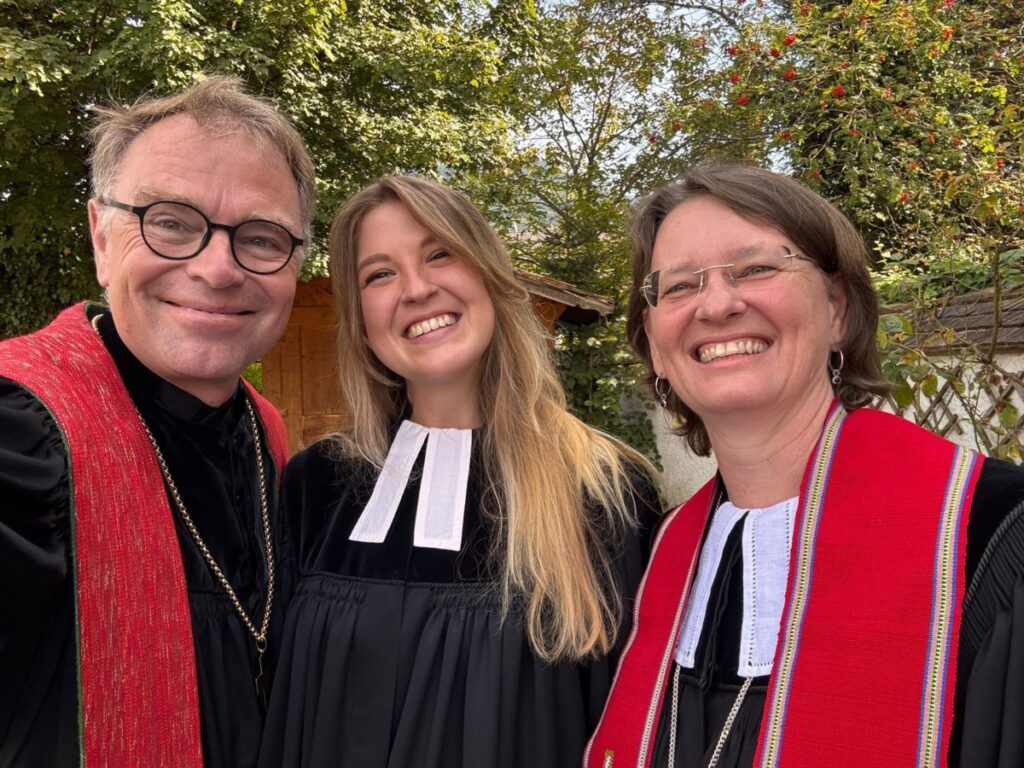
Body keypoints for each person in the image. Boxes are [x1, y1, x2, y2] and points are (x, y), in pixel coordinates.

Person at [586, 162, 1024, 767]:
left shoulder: (993, 532)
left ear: (837, 309)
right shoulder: (654, 553)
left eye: (757, 268)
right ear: (657, 347)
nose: (716, 304)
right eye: (681, 285)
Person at [258, 175, 661, 768]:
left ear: (489, 276)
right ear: (362, 320)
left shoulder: (606, 489)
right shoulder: (315, 484)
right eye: (379, 274)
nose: (416, 289)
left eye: (439, 254)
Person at [0, 77, 315, 767]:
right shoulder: (22, 425)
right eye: (171, 222)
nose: (216, 268)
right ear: (101, 237)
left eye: (261, 238)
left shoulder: (268, 435)